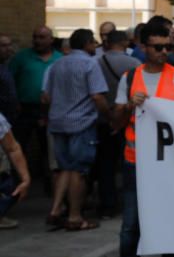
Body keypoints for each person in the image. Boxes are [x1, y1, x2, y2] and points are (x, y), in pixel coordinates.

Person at [107, 22, 174, 257]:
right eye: (158, 47)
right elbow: (116, 122)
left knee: (170, 218)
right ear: (143, 47)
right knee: (131, 224)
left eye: (168, 47)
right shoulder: (130, 77)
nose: (164, 52)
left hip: (170, 164)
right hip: (136, 161)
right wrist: (128, 105)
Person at [41, 29, 108, 231]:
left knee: (64, 168)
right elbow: (97, 96)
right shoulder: (90, 63)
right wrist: (110, 115)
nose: (95, 46)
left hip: (57, 122)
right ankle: (75, 216)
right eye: (93, 42)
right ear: (87, 43)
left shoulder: (57, 64)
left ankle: (55, 210)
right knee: (79, 170)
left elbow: (46, 95)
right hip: (82, 123)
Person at [9, 25, 61, 191]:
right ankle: (17, 184)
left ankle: (50, 186)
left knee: (48, 149)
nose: (37, 40)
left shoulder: (59, 59)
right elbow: (9, 81)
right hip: (24, 109)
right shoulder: (22, 58)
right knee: (19, 145)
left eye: (42, 37)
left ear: (51, 40)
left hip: (49, 110)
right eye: (35, 37)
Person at [94, 30, 139, 219]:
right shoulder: (134, 64)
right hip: (128, 120)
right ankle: (130, 201)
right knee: (129, 162)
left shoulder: (96, 63)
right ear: (124, 43)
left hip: (103, 118)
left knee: (105, 164)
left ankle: (108, 203)